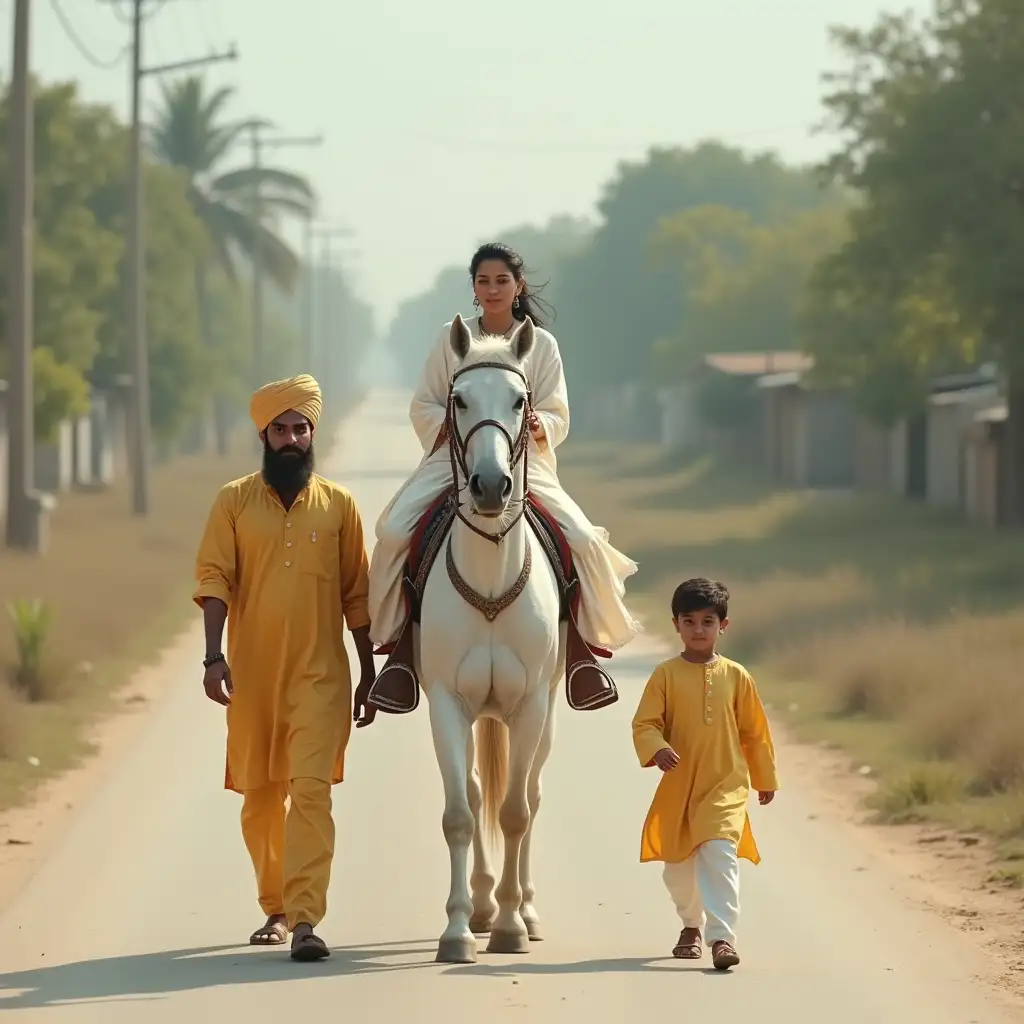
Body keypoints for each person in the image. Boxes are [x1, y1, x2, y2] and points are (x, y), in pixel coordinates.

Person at [365, 241, 641, 716]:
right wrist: (451, 427)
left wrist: (540, 426)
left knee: (581, 539)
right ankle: (399, 650)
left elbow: (558, 411)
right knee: (391, 533)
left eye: (501, 280)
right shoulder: (450, 339)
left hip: (524, 464)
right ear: (473, 288)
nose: (492, 289)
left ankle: (580, 650)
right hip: (452, 459)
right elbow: (423, 405)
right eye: (483, 281)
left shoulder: (541, 345)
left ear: (518, 285)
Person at [193, 373, 376, 962]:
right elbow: (214, 577)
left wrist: (370, 670)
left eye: (301, 428)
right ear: (264, 436)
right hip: (251, 676)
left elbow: (357, 596)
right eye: (281, 429)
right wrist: (213, 655)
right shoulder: (233, 501)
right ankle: (274, 904)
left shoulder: (340, 506)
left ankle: (304, 920)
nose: (292, 438)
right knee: (260, 798)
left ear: (312, 433)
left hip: (321, 676)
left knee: (311, 792)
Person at [630, 578, 778, 971]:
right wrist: (657, 748)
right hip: (680, 786)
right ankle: (690, 925)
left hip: (725, 783)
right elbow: (645, 723)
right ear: (676, 624)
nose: (698, 630)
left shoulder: (736, 675)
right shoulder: (665, 674)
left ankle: (722, 938)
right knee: (678, 869)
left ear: (722, 627)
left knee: (719, 852)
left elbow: (754, 732)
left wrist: (765, 777)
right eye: (689, 621)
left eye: (707, 622)